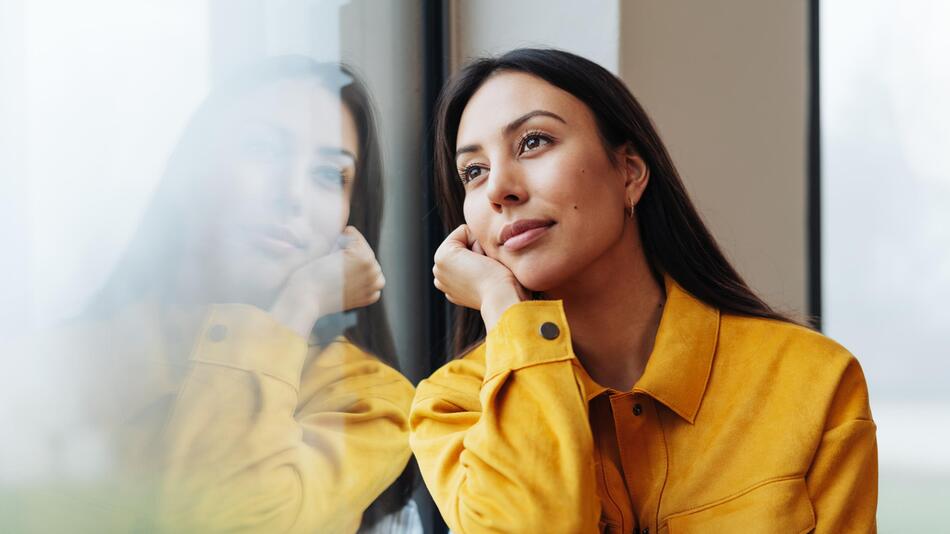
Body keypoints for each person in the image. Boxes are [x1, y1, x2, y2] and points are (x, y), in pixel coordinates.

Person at [410, 48, 877, 533]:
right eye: (474, 171)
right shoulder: (454, 405)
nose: (499, 189)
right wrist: (504, 308)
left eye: (533, 142)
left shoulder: (811, 380)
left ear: (629, 172)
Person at [44, 57, 417, 533]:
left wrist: (299, 303)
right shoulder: (63, 363)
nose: (292, 194)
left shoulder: (366, 399)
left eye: (329, 174)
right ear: (191, 175)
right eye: (263, 150)